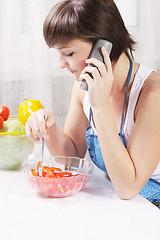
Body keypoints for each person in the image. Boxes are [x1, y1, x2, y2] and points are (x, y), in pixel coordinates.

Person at [26, 0, 160, 205]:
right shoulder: (83, 87)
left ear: (103, 47)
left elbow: (128, 187)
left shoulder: (153, 94)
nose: (61, 64)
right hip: (127, 208)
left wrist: (100, 107)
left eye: (68, 53)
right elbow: (71, 155)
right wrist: (49, 128)